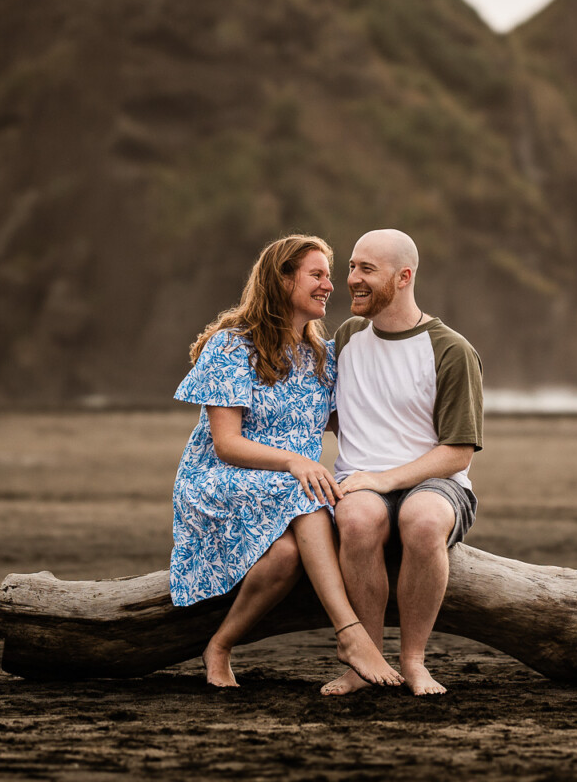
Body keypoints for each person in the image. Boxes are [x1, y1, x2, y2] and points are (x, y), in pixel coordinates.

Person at [170, 234, 403, 690]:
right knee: (307, 489)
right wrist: (296, 462)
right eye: (317, 275)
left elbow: (356, 422)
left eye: (329, 277)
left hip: (290, 493)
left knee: (285, 556)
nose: (329, 286)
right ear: (282, 280)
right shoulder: (232, 347)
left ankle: (219, 645)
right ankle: (350, 633)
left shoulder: (323, 357)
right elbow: (226, 444)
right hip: (219, 482)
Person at [323, 229, 484, 696]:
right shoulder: (348, 337)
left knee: (422, 519)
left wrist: (385, 477)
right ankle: (364, 660)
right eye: (351, 266)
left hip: (438, 483)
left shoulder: (451, 350)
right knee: (355, 518)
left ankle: (414, 660)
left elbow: (457, 451)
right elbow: (337, 414)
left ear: (404, 276)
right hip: (362, 482)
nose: (351, 278)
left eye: (366, 269)